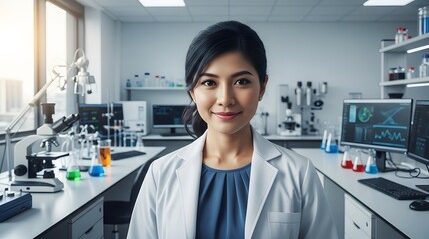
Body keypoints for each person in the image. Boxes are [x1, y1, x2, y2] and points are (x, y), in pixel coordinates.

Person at [128, 21, 338, 239]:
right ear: (192, 91)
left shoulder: (299, 172)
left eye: (241, 81)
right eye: (209, 83)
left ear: (262, 87)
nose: (225, 99)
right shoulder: (160, 173)